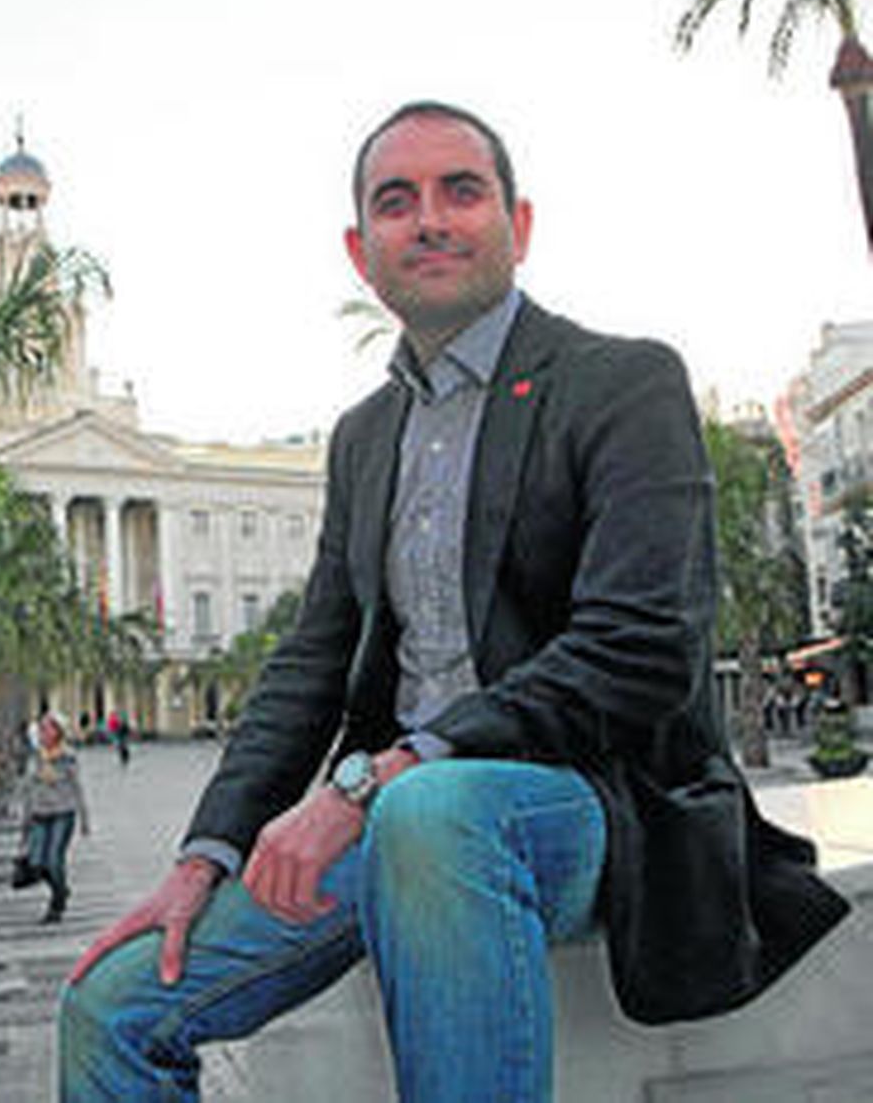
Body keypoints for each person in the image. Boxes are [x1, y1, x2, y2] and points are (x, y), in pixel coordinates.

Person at [58, 101, 849, 1102]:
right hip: (394, 816)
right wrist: (203, 852)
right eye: (396, 202)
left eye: (459, 191)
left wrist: (379, 775)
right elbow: (311, 659)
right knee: (109, 1008)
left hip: (594, 800)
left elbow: (640, 645)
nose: (428, 219)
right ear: (361, 251)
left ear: (516, 226)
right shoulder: (363, 435)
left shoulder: (621, 381)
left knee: (432, 808)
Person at [19, 711, 91, 924]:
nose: (43, 732)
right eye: (41, 728)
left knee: (53, 861)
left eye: (47, 728)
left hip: (62, 813)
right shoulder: (34, 756)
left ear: (58, 732)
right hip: (39, 814)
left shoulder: (67, 756)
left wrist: (85, 818)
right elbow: (27, 788)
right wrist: (25, 820)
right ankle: (62, 889)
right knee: (37, 862)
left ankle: (56, 904)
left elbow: (77, 787)